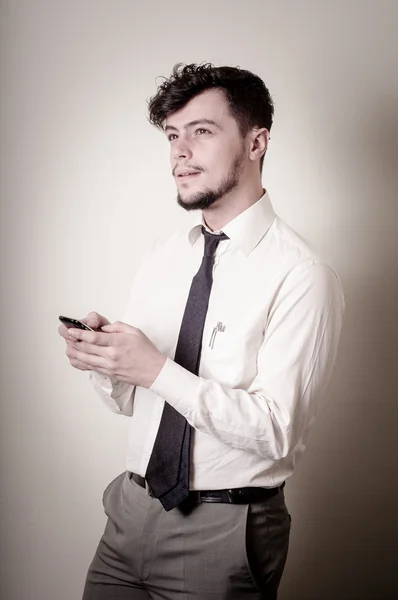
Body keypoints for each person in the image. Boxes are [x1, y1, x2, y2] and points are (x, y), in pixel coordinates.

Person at [58, 63, 345, 600]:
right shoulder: (164, 256)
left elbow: (278, 432)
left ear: (257, 141)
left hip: (224, 530)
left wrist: (156, 368)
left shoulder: (303, 276)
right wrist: (108, 363)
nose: (180, 153)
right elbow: (133, 402)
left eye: (202, 132)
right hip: (127, 512)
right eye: (172, 135)